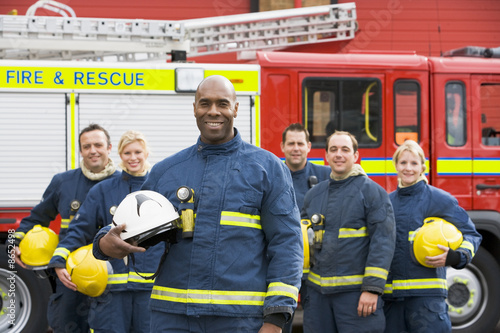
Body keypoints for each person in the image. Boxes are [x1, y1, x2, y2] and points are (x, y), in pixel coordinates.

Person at [93, 75, 303, 332]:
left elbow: (287, 244)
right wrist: (104, 243)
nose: (213, 111)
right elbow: (123, 225)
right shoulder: (166, 171)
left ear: (236, 108)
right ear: (194, 108)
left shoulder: (267, 169)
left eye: (222, 104)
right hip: (172, 318)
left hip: (240, 320)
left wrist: (276, 319)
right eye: (205, 103)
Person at [47, 130, 162, 333]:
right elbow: (79, 230)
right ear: (118, 154)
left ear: (146, 153)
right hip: (112, 293)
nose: (133, 158)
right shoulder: (103, 190)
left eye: (138, 152)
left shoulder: (160, 189)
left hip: (150, 291)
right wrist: (59, 259)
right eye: (127, 153)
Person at [11, 123, 119, 333]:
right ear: (80, 151)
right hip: (70, 277)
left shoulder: (124, 182)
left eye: (98, 145)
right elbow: (35, 218)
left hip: (113, 276)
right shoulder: (63, 182)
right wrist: (12, 245)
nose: (93, 151)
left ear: (109, 147)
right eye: (87, 146)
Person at [301, 130, 396, 333]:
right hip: (318, 298)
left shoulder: (372, 192)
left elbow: (383, 242)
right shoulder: (313, 195)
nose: (338, 154)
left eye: (345, 149)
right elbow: (300, 244)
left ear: (355, 156)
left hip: (355, 298)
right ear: (326, 156)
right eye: (333, 149)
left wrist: (371, 289)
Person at [383, 140, 481, 333]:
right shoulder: (386, 202)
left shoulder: (439, 199)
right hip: (391, 301)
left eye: (413, 163)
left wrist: (456, 256)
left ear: (422, 167)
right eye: (403, 163)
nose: (408, 168)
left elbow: (471, 234)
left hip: (427, 302)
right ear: (395, 166)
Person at [280, 123, 331, 333]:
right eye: (291, 143)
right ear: (282, 146)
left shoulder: (326, 176)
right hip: (282, 262)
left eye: (300, 143)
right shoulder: (273, 175)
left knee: (317, 321)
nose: (296, 148)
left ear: (309, 146)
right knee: (281, 316)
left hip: (319, 264)